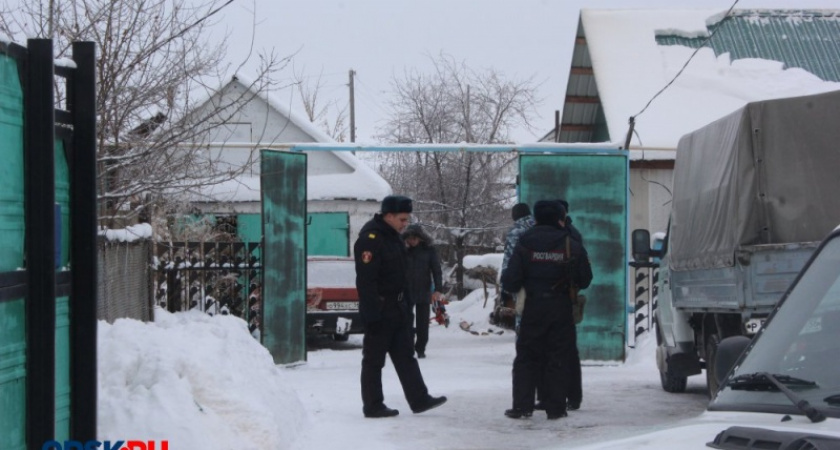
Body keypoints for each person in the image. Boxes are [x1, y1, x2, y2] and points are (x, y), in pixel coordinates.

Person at [354, 195, 447, 418]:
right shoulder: (371, 239)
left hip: (399, 309)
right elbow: (366, 281)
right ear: (389, 215)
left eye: (407, 219)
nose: (405, 224)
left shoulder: (394, 238)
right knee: (374, 360)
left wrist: (406, 304)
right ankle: (373, 405)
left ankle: (419, 399)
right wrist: (372, 314)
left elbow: (402, 274)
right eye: (402, 219)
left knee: (406, 356)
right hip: (381, 309)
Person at [501, 200, 593, 420]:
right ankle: (556, 407)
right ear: (559, 218)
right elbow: (586, 278)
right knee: (559, 356)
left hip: (533, 308)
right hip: (561, 308)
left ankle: (523, 406)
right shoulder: (571, 243)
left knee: (526, 357)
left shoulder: (524, 242)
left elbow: (509, 280)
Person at [535, 198, 585, 411]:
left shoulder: (563, 235)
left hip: (552, 300)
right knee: (568, 351)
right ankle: (573, 396)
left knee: (549, 351)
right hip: (568, 299)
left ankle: (551, 397)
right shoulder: (573, 234)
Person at [402, 223, 444, 359]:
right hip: (406, 291)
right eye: (409, 238)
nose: (411, 241)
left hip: (423, 289)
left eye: (414, 238)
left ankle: (420, 348)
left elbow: (436, 270)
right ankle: (407, 347)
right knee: (406, 321)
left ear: (420, 238)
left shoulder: (429, 250)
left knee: (422, 323)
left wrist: (438, 289)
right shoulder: (403, 250)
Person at [494, 203, 535, 328]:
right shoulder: (539, 227)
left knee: (522, 316)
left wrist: (505, 284)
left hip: (522, 281)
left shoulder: (516, 231)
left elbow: (510, 259)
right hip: (542, 280)